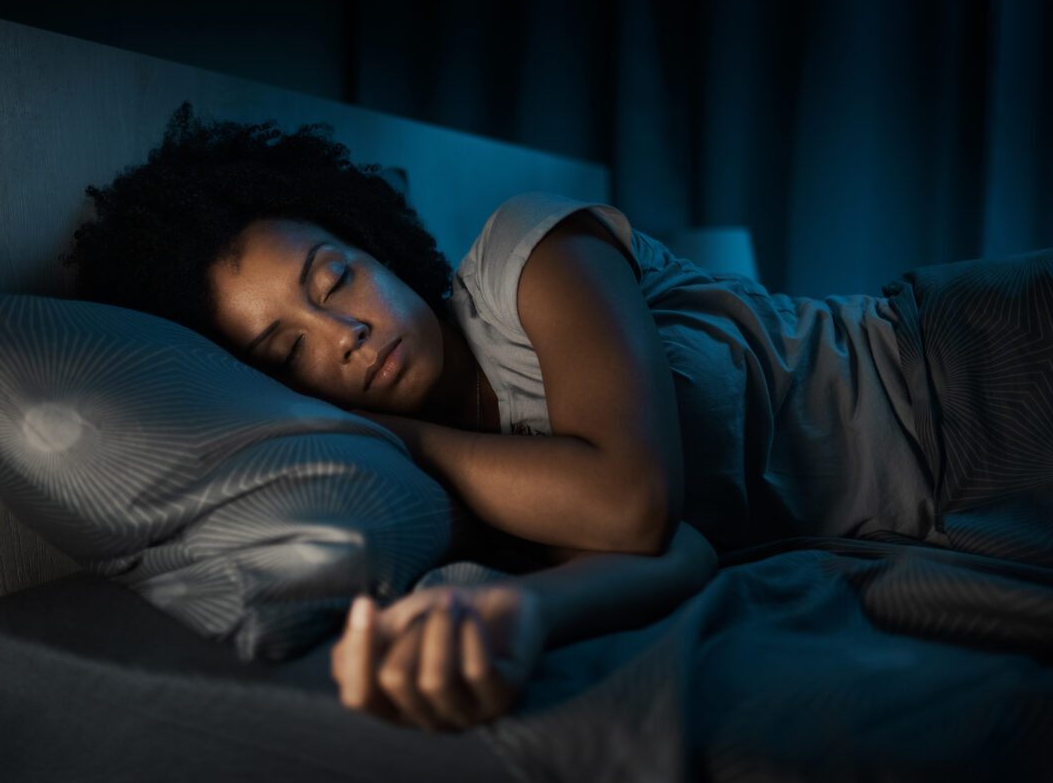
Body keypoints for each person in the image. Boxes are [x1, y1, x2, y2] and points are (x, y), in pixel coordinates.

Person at [66, 104, 1053, 731]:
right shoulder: (462, 494)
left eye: (335, 279)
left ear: (374, 245)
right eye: (290, 353)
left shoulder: (529, 253)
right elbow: (677, 550)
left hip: (974, 365)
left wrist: (398, 435)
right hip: (958, 515)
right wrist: (518, 613)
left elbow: (631, 501)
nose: (345, 334)